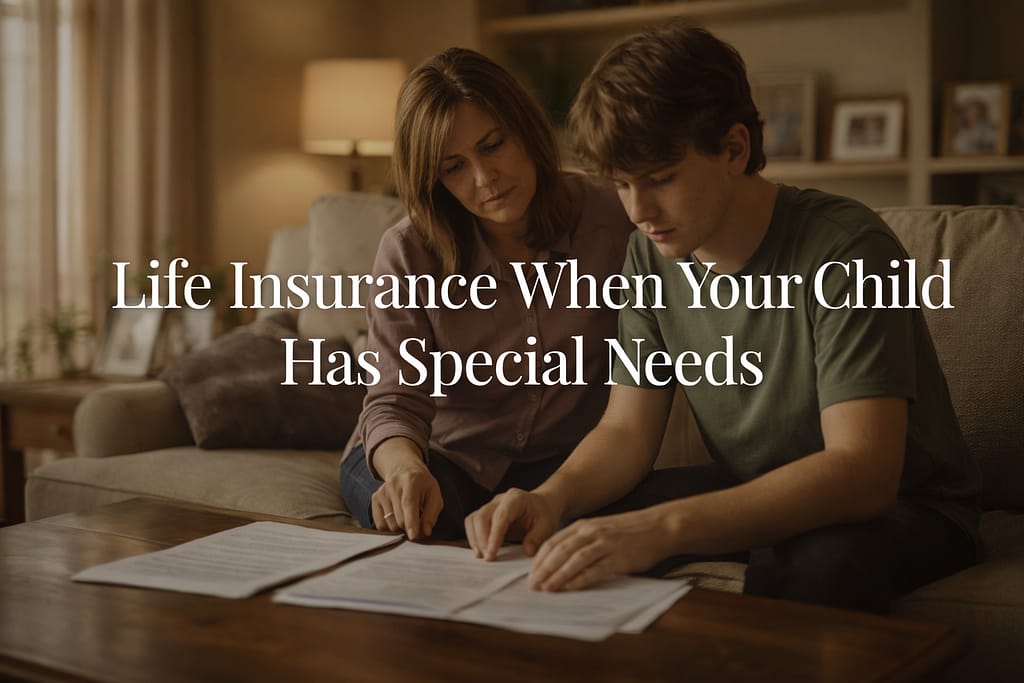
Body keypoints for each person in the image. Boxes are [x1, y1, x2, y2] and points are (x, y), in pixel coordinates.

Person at [465, 23, 980, 613]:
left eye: (660, 179)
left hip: (907, 507)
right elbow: (626, 432)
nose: (639, 211)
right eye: (622, 185)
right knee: (573, 528)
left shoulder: (848, 250)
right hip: (749, 483)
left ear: (734, 149)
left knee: (821, 563)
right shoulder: (649, 255)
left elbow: (861, 472)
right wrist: (550, 498)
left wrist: (663, 529)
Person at [339, 48, 635, 541]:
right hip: (434, 454)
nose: (484, 178)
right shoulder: (410, 251)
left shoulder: (614, 219)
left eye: (493, 145)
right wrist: (405, 470)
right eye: (454, 167)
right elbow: (394, 399)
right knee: (423, 515)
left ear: (525, 128)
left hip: (561, 465)